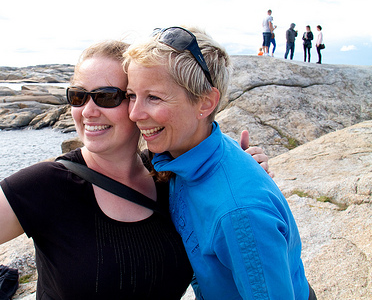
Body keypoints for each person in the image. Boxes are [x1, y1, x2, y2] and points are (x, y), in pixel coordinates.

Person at [0, 40, 271, 299]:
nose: (88, 110)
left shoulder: (170, 179)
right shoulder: (49, 185)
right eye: (78, 95)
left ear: (135, 103)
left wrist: (236, 173)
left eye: (108, 96)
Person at [124, 26, 316, 300]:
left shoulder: (239, 213)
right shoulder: (183, 154)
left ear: (205, 103)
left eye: (153, 97)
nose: (134, 113)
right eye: (132, 95)